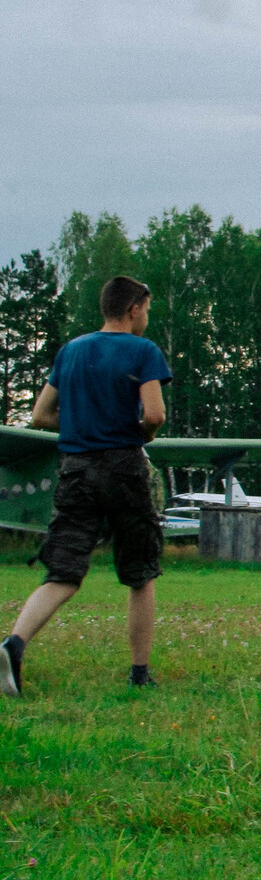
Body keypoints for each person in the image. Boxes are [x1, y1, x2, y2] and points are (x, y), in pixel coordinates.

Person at [3, 276, 173, 696]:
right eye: (147, 309)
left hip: (75, 471)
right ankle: (139, 673)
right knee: (140, 573)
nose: (147, 317)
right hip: (123, 469)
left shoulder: (72, 351)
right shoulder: (142, 351)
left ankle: (13, 644)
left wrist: (82, 424)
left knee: (63, 571)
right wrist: (135, 433)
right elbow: (154, 416)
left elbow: (41, 415)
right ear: (133, 308)